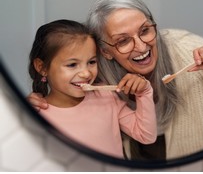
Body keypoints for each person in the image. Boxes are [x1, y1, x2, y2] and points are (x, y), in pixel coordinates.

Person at [29, 0, 203, 160]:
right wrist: (33, 103)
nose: (141, 46)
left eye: (145, 31)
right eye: (123, 41)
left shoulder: (186, 50)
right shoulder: (94, 73)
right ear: (105, 51)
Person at [28, 19, 157, 158]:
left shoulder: (105, 96)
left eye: (91, 62)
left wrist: (144, 93)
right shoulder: (36, 114)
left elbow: (146, 136)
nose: (86, 73)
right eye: (72, 65)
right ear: (42, 67)